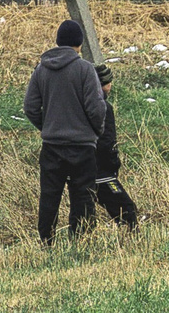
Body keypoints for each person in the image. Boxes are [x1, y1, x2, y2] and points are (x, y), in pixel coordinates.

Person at [22, 17, 106, 243]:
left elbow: (30, 107)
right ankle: (80, 240)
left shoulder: (41, 69)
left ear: (58, 42)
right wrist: (96, 131)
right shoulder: (85, 69)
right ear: (79, 43)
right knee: (83, 196)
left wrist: (48, 125)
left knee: (49, 196)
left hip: (51, 147)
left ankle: (46, 241)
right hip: (82, 146)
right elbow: (96, 108)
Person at [90, 63, 139, 230]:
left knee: (85, 212)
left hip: (80, 169)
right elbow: (106, 142)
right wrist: (113, 163)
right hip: (102, 172)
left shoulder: (80, 104)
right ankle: (131, 243)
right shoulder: (104, 107)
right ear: (105, 84)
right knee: (127, 210)